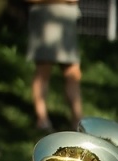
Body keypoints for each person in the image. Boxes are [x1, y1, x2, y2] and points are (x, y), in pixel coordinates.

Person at [27, 0, 82, 131]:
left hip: (66, 23)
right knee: (43, 70)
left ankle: (78, 121)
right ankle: (42, 119)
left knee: (73, 73)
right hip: (46, 20)